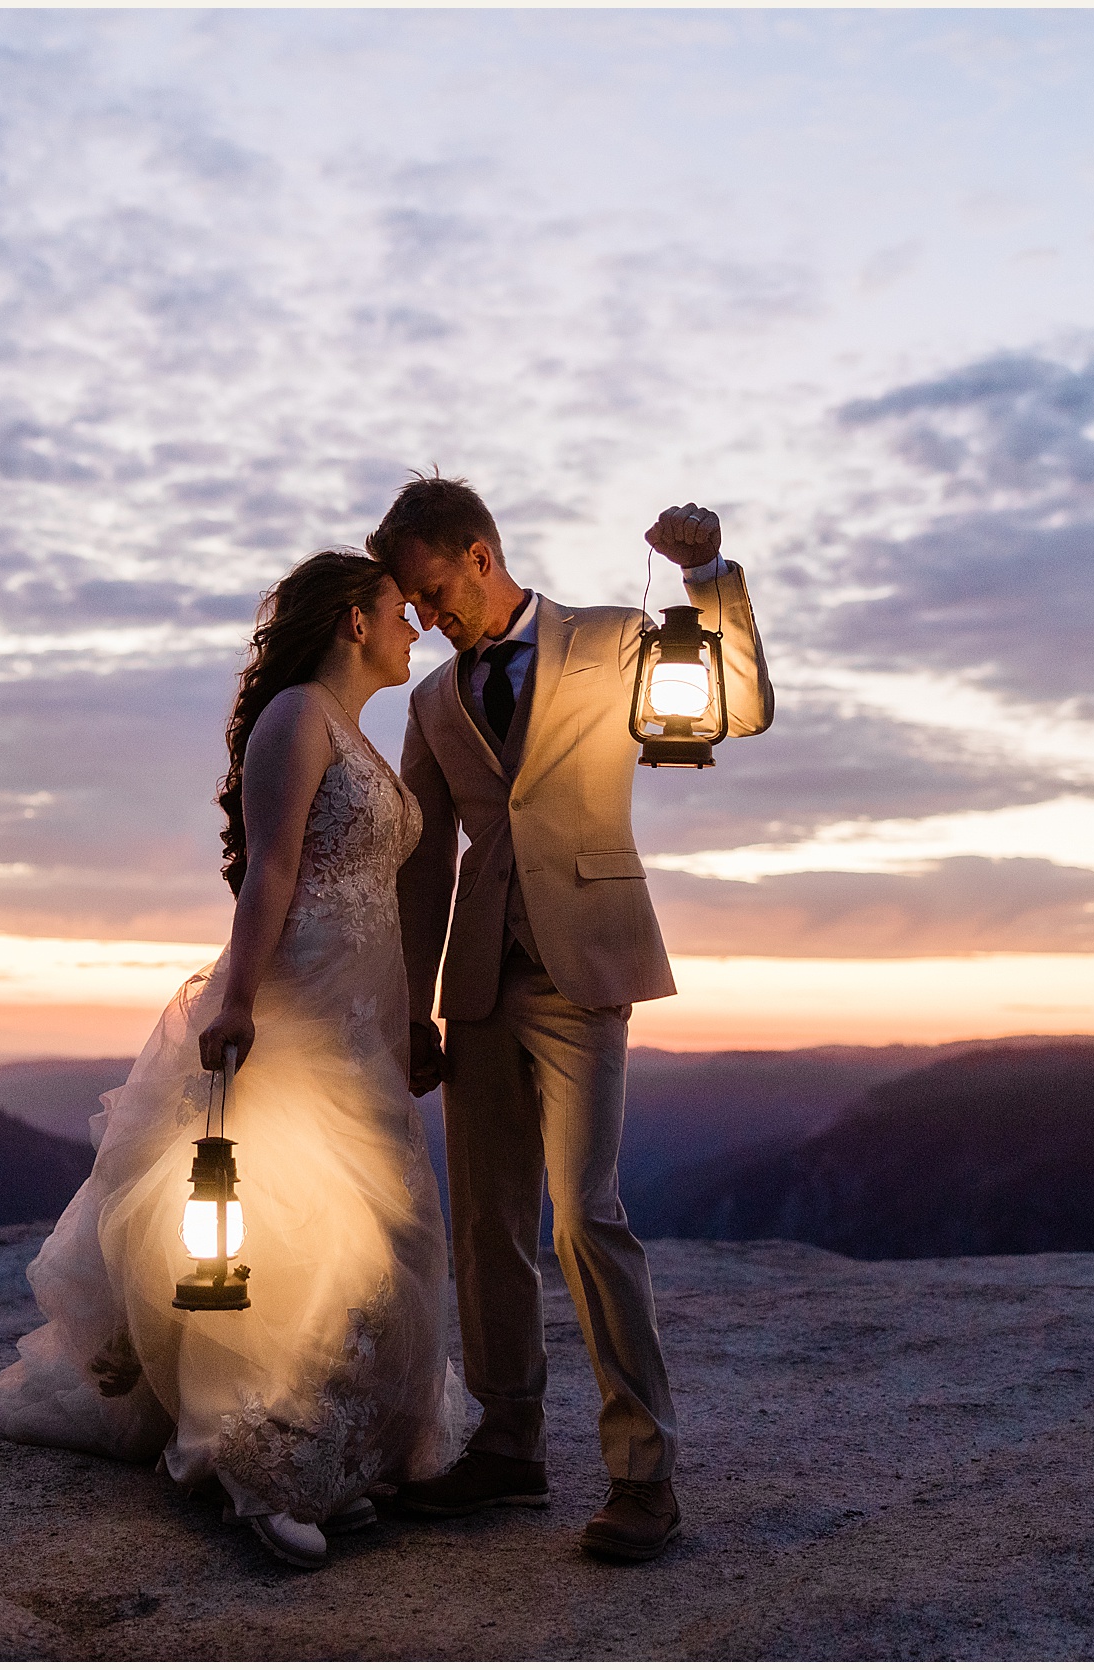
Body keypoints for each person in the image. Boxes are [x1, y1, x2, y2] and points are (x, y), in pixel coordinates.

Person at [0, 549, 465, 1571]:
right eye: (395, 608)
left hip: (364, 1014)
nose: (414, 621)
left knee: (371, 1234)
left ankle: (333, 1454)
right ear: (352, 623)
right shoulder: (295, 717)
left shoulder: (353, 729)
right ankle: (251, 1466)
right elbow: (270, 867)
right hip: (301, 998)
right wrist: (235, 995)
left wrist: (414, 1016)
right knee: (289, 1232)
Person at [371, 474, 773, 1562]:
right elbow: (419, 866)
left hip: (586, 963)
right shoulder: (428, 704)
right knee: (484, 1223)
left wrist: (706, 578)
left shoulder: (608, 639)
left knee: (583, 1215)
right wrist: (415, 1007)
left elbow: (735, 706)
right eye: (407, 601)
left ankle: (645, 1475)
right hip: (479, 983)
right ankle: (508, 1448)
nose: (421, 614)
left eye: (428, 588)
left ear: (476, 553)